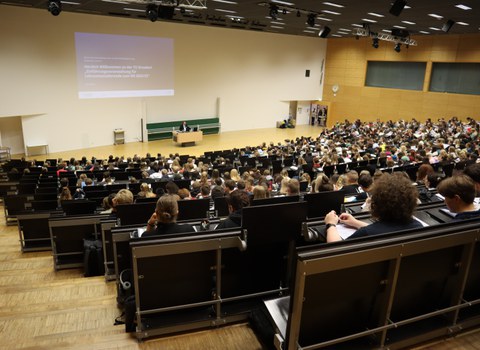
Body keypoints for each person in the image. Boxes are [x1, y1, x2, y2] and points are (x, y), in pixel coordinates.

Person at [324, 172, 422, 242]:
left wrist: (331, 224)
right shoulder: (418, 226)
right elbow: (385, 230)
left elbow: (337, 247)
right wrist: (355, 222)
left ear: (377, 204)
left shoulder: (367, 233)